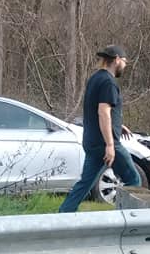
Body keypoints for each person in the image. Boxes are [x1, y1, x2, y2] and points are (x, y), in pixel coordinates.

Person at [58, 44, 141, 212]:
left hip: (92, 142)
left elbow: (100, 110)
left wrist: (118, 125)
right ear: (117, 60)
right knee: (134, 180)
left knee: (85, 183)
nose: (125, 65)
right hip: (106, 144)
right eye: (124, 61)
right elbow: (103, 111)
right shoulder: (109, 82)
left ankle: (63, 214)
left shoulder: (96, 78)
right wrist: (110, 145)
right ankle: (126, 219)